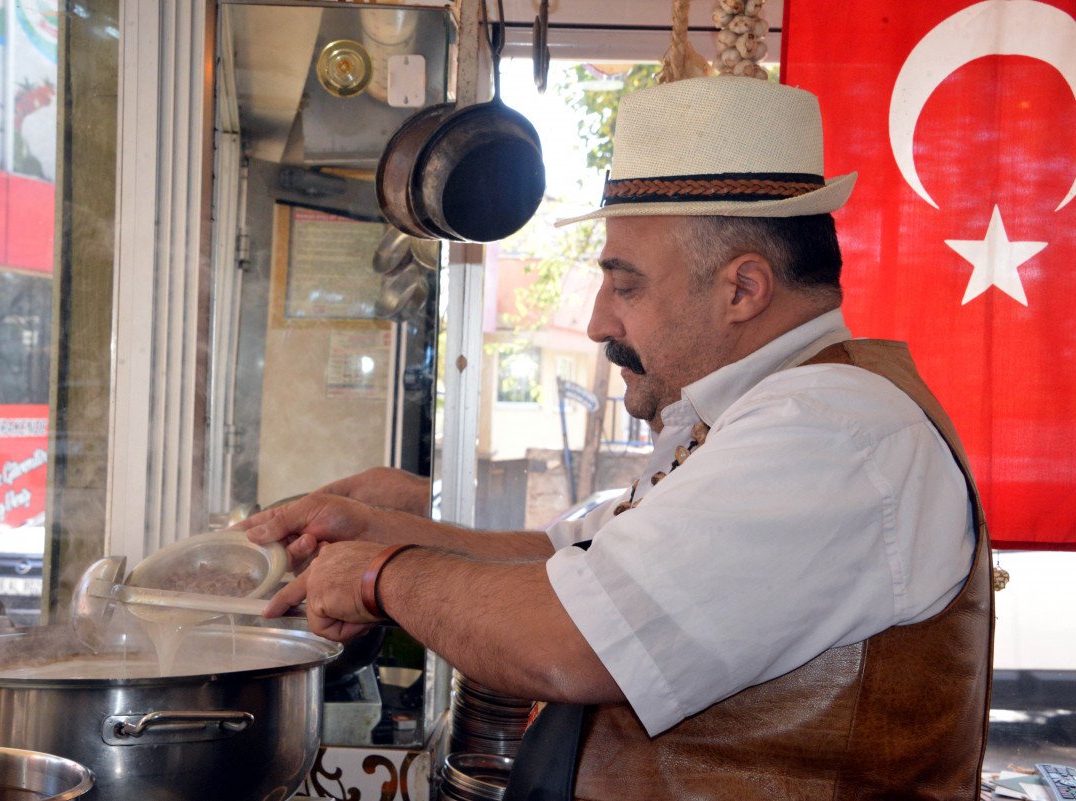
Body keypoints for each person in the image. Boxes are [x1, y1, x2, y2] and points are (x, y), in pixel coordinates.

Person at [241, 76, 992, 800]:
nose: (600, 322)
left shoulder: (830, 432)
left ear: (743, 288)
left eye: (625, 284)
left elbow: (569, 641)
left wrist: (382, 576)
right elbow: (574, 560)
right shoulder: (742, 417)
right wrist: (380, 528)